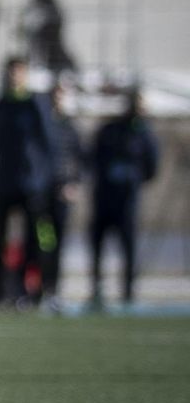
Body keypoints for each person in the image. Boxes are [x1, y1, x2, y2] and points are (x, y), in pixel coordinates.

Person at [0, 56, 56, 309]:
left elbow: (48, 143)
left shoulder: (36, 104)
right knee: (1, 240)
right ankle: (0, 293)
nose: (15, 77)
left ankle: (32, 291)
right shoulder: (0, 105)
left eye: (19, 72)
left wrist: (44, 177)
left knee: (34, 240)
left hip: (32, 184)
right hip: (5, 181)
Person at [89, 88, 159, 310]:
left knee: (128, 247)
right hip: (104, 199)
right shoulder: (110, 130)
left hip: (128, 201)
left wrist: (133, 180)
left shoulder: (145, 134)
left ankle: (128, 291)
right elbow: (94, 158)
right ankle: (97, 289)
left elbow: (152, 166)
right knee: (98, 245)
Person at [45, 77, 84, 313]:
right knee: (42, 243)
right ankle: (37, 290)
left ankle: (54, 291)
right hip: (42, 197)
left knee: (57, 245)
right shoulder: (43, 125)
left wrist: (73, 184)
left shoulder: (71, 128)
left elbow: (80, 160)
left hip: (62, 196)